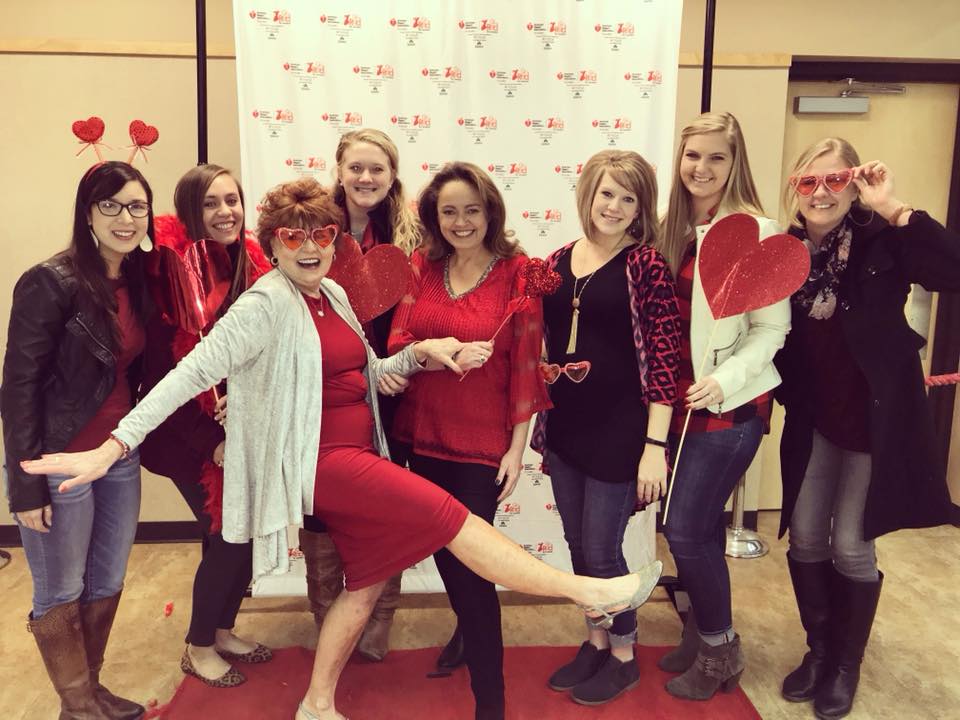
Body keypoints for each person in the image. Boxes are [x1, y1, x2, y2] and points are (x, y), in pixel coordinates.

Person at [22, 177, 663, 720]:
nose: (309, 248)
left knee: (363, 586)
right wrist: (110, 448)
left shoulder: (329, 294)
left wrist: (420, 353)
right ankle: (587, 592)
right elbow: (183, 379)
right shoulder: (264, 305)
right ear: (272, 243)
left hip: (363, 453)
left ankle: (318, 703)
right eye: (293, 236)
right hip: (325, 464)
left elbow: (373, 373)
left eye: (322, 235)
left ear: (336, 241)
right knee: (451, 519)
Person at [775, 138, 960, 720]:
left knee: (853, 546)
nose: (822, 192)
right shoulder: (783, 252)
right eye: (809, 182)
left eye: (836, 180)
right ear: (795, 189)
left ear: (854, 185)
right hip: (816, 419)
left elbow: (952, 269)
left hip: (877, 423)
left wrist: (896, 208)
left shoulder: (884, 239)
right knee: (805, 535)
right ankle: (820, 650)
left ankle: (845, 666)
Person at [388, 161, 554, 719]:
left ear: (491, 212)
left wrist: (516, 447)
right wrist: (441, 352)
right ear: (435, 218)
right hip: (422, 435)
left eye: (472, 210)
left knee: (476, 570)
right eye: (449, 211)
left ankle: (492, 701)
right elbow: (400, 340)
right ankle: (465, 635)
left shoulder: (518, 273)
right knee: (447, 555)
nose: (461, 222)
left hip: (483, 445)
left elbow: (528, 363)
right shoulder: (420, 267)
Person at [2, 161, 153, 720]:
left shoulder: (138, 279)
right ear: (87, 212)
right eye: (110, 205)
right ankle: (78, 702)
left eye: (136, 206)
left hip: (117, 455)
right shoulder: (52, 280)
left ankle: (87, 691)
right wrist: (25, 484)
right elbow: (18, 386)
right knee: (60, 586)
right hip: (57, 459)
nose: (125, 217)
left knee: (107, 576)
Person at [529, 149, 678, 705]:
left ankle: (623, 653)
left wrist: (654, 447)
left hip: (622, 432)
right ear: (588, 194)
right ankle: (594, 641)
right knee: (575, 544)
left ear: (642, 208)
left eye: (628, 197)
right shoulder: (559, 259)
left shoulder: (645, 265)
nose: (614, 206)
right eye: (606, 193)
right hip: (566, 427)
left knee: (603, 550)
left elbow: (665, 360)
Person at [655, 111, 791, 700]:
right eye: (692, 156)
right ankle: (706, 633)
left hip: (728, 409)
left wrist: (725, 377)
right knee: (696, 528)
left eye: (716, 157)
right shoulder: (669, 229)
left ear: (735, 163)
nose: (701, 168)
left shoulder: (757, 232)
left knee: (685, 528)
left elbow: (772, 332)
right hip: (676, 407)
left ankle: (720, 650)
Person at [140, 164, 272, 686]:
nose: (226, 212)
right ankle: (198, 645)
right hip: (186, 435)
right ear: (193, 211)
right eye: (212, 204)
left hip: (241, 425)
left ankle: (220, 628)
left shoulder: (253, 264)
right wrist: (211, 440)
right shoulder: (167, 274)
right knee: (227, 533)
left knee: (244, 536)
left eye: (233, 200)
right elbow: (162, 375)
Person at [299, 128, 422, 662]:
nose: (366, 178)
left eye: (377, 169)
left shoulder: (413, 234)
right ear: (340, 170)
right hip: (325, 392)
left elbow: (424, 305)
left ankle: (378, 620)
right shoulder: (311, 229)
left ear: (393, 175)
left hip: (394, 393)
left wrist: (398, 363)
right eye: (356, 168)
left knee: (386, 505)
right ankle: (328, 619)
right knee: (322, 510)